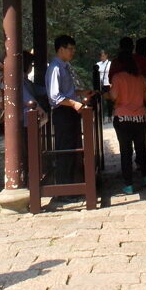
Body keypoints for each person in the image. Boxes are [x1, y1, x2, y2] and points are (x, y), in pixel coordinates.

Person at [107, 52, 146, 193]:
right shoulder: (141, 78)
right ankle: (145, 176)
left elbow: (114, 96)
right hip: (140, 118)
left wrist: (107, 96)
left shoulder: (117, 78)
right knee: (141, 148)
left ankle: (128, 184)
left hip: (122, 118)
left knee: (125, 151)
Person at [46, 34, 92, 184]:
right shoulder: (55, 68)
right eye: (70, 49)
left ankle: (73, 183)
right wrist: (74, 103)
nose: (73, 52)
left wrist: (80, 93)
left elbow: (66, 92)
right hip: (62, 112)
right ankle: (64, 186)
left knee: (73, 147)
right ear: (61, 49)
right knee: (65, 149)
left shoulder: (64, 67)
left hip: (70, 112)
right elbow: (55, 96)